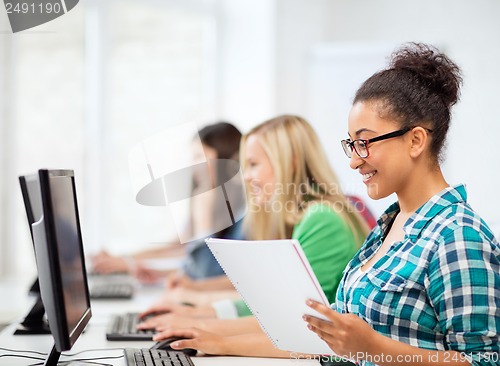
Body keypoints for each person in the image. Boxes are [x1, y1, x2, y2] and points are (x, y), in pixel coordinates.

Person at [302, 43, 500, 366]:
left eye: (364, 143)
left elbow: (486, 361)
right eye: (352, 144)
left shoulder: (458, 237)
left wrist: (372, 346)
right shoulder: (389, 225)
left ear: (416, 140)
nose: (354, 161)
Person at [137, 115, 371, 357]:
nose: (246, 176)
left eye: (253, 164)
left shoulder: (323, 219)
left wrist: (206, 326)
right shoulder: (300, 218)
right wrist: (200, 314)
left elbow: (296, 320)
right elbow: (268, 304)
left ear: (288, 163)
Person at [91, 122, 245, 289]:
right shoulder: (210, 201)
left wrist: (204, 216)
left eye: (199, 157)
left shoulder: (241, 215)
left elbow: (206, 271)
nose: (193, 168)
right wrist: (127, 260)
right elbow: (183, 247)